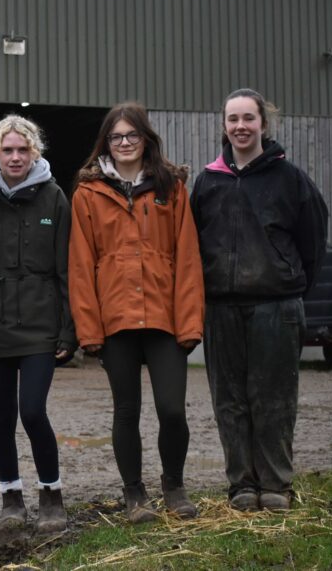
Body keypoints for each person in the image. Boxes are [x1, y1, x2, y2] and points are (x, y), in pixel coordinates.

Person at [190, 88, 328, 512]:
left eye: (248, 118)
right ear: (224, 125)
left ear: (263, 124)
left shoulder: (291, 180)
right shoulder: (208, 182)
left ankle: (276, 484)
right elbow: (193, 244)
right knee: (229, 400)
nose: (240, 127)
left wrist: (288, 287)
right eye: (233, 119)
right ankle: (242, 485)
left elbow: (313, 243)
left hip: (276, 305)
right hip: (222, 308)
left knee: (274, 398)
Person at [68, 101, 205, 523]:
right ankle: (134, 495)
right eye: (116, 137)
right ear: (105, 143)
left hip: (165, 319)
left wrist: (190, 322)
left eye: (132, 135)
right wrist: (89, 331)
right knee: (126, 410)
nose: (125, 143)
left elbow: (188, 260)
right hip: (116, 322)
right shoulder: (88, 194)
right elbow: (80, 265)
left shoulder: (172, 189)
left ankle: (174, 487)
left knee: (172, 409)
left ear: (146, 139)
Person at [0, 115, 75, 533]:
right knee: (1, 416)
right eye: (7, 150)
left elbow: (67, 268)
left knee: (32, 409)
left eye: (22, 150)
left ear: (35, 153)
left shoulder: (55, 198)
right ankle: (11, 495)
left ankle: (52, 493)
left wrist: (69, 328)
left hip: (39, 328)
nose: (15, 157)